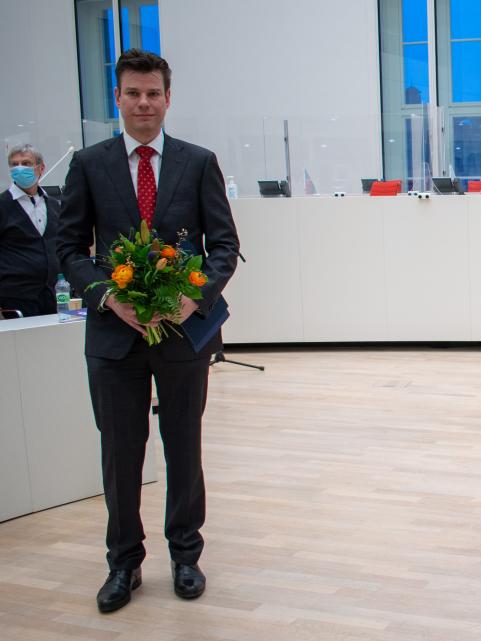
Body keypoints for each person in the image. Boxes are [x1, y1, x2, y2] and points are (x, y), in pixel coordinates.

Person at [56, 49, 240, 613]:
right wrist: (109, 297)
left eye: (152, 94)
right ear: (118, 98)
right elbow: (66, 248)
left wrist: (193, 298)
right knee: (120, 452)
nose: (143, 103)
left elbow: (225, 247)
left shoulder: (198, 160)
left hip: (183, 334)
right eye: (133, 93)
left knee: (184, 446)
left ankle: (186, 554)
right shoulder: (89, 164)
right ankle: (124, 562)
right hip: (114, 336)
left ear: (167, 98)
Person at [1, 144, 61, 317]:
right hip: (14, 297)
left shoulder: (53, 204)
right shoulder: (3, 205)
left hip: (51, 293)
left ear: (40, 168)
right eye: (14, 164)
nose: (19, 168)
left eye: (26, 163)